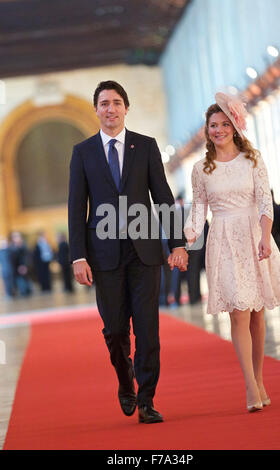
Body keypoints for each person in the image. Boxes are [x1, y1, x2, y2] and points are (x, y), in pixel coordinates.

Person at [68, 80, 188, 424]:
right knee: (116, 330)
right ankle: (126, 382)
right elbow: (77, 207)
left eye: (116, 102)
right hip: (103, 256)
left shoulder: (146, 146)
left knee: (148, 329)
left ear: (125, 107)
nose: (110, 108)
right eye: (104, 103)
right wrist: (79, 256)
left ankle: (147, 399)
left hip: (145, 252)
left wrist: (177, 242)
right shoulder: (83, 152)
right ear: (96, 110)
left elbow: (163, 196)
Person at [181, 92, 280, 413]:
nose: (217, 130)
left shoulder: (253, 159)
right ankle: (249, 385)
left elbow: (265, 203)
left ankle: (259, 379)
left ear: (234, 126)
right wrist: (183, 242)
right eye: (212, 125)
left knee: (258, 315)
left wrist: (263, 235)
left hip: (254, 238)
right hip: (223, 240)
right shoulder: (202, 169)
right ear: (207, 130)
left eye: (223, 124)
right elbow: (198, 211)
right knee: (239, 313)